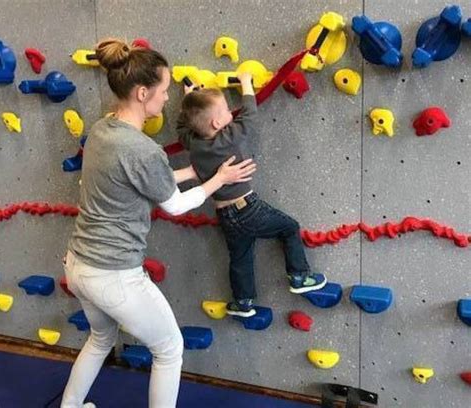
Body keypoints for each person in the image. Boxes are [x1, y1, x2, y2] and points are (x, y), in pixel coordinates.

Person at [61, 38, 256, 408]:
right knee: (169, 349)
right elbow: (175, 206)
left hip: (77, 265)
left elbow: (144, 176)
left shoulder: (104, 129)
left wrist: (196, 170)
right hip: (113, 274)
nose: (168, 98)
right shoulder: (144, 150)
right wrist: (219, 181)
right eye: (164, 91)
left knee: (100, 340)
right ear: (142, 92)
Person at [177, 72, 327, 318]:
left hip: (225, 213)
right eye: (226, 110)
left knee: (240, 257)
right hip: (246, 208)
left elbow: (182, 126)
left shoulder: (192, 143)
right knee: (289, 227)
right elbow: (248, 118)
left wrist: (190, 98)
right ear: (216, 123)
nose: (230, 113)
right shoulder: (224, 138)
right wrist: (247, 85)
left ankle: (243, 301)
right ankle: (299, 276)